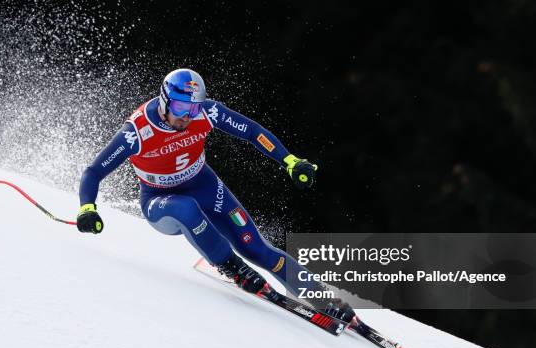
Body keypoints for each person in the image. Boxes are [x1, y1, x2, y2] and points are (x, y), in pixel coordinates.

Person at [76, 68, 354, 322]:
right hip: (160, 203)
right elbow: (93, 172)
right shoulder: (137, 131)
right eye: (180, 106)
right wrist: (87, 207)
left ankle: (320, 294)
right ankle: (229, 264)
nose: (187, 115)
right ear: (164, 101)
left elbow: (253, 132)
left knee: (256, 247)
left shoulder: (207, 113)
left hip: (205, 185)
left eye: (193, 107)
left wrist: (290, 161)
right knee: (186, 208)